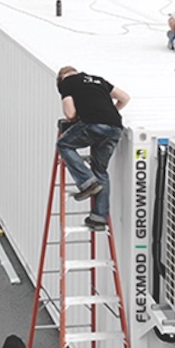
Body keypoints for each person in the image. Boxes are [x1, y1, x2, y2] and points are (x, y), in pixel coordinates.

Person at [56, 66, 130, 232]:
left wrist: (84, 115)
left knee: (64, 145)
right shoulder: (98, 80)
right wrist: (109, 112)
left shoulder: (66, 83)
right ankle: (98, 218)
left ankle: (86, 182)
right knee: (101, 170)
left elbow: (70, 114)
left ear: (61, 78)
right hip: (115, 127)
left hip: (93, 124)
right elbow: (125, 98)